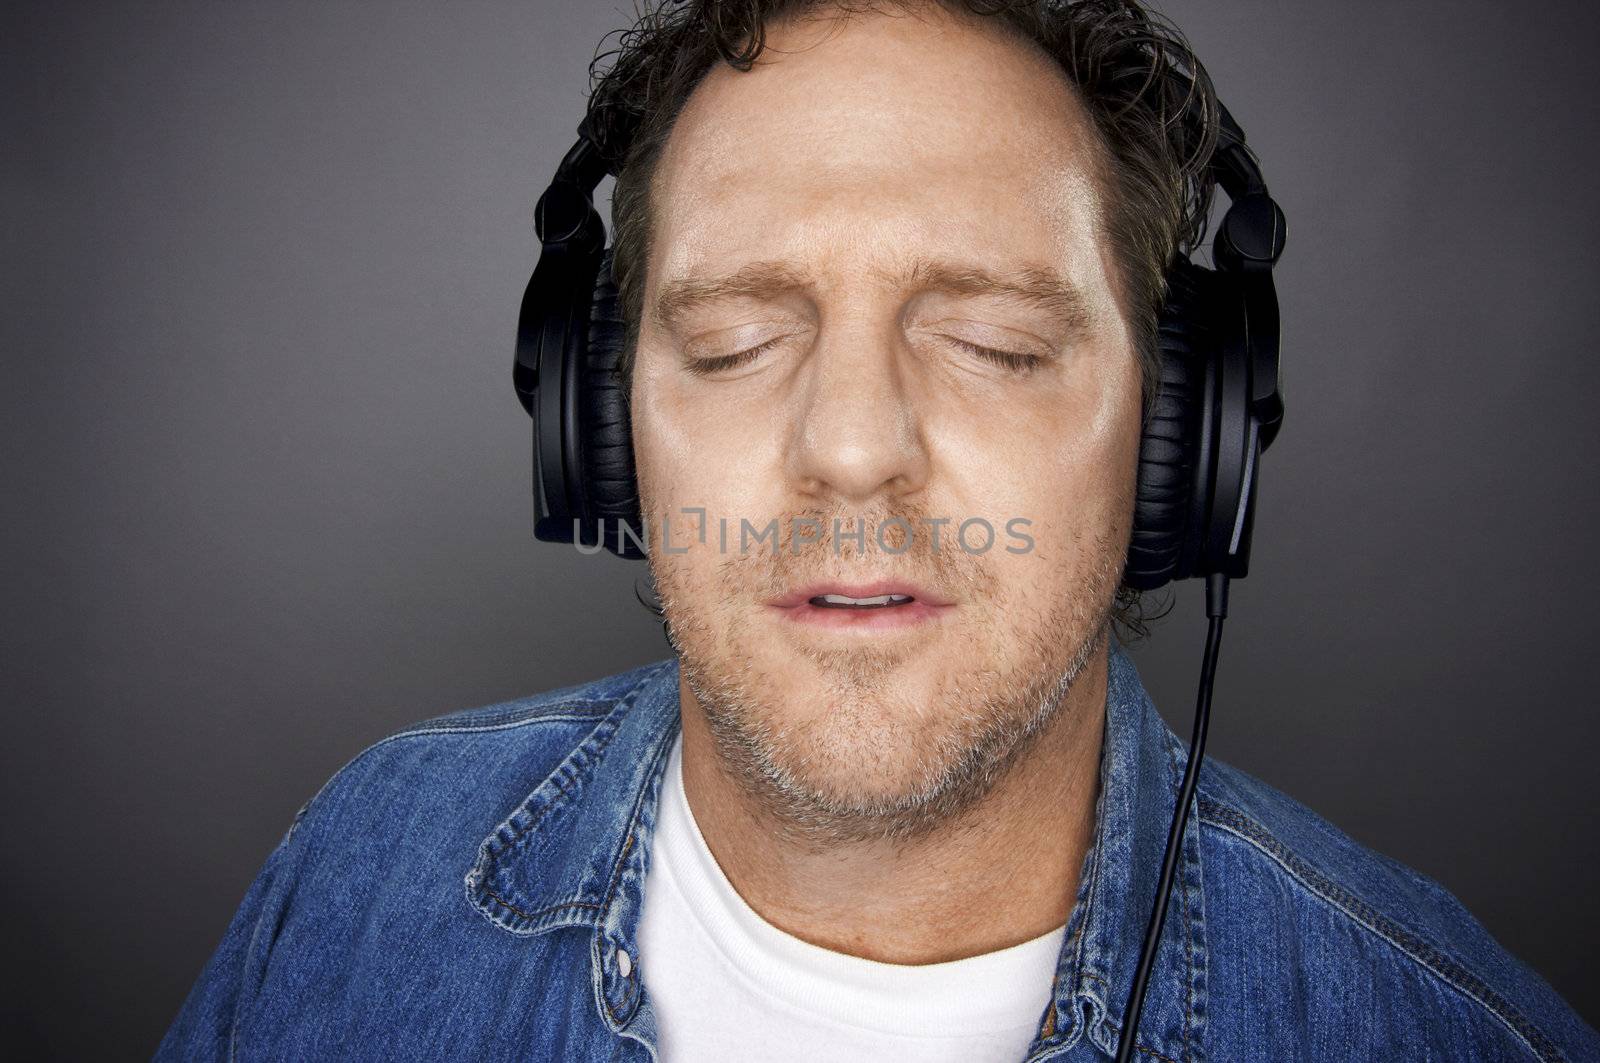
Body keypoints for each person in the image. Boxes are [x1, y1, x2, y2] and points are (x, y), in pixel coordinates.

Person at [158, 2, 1599, 1060]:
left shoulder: (1449, 1035)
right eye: (730, 344)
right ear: (602, 432)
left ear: (1182, 440)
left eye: (992, 343)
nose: (852, 451)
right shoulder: (364, 864)